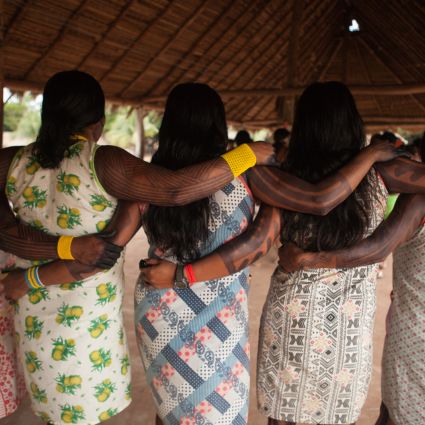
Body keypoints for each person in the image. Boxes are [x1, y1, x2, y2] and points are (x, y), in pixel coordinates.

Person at [0, 78, 404, 425]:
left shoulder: (150, 183)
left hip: (160, 313)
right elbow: (267, 236)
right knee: (220, 411)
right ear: (219, 124)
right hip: (220, 318)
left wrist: (38, 272)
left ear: (169, 125)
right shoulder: (249, 175)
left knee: (170, 410)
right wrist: (370, 156)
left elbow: (106, 249)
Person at [136, 83, 425, 425]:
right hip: (350, 321)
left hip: (292, 316)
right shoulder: (383, 174)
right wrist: (376, 159)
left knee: (275, 415)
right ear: (352, 122)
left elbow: (261, 237)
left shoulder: (283, 175)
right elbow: (307, 212)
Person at [0, 70, 273, 425]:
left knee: (154, 408)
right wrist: (245, 155)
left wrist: (39, 265)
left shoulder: (13, 162)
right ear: (97, 123)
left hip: (99, 313)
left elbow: (90, 248)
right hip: (123, 316)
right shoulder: (106, 162)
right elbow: (182, 194)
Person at [279, 135, 425, 425]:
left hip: (415, 333)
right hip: (412, 329)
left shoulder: (419, 202)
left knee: (401, 413)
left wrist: (311, 259)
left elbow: (378, 248)